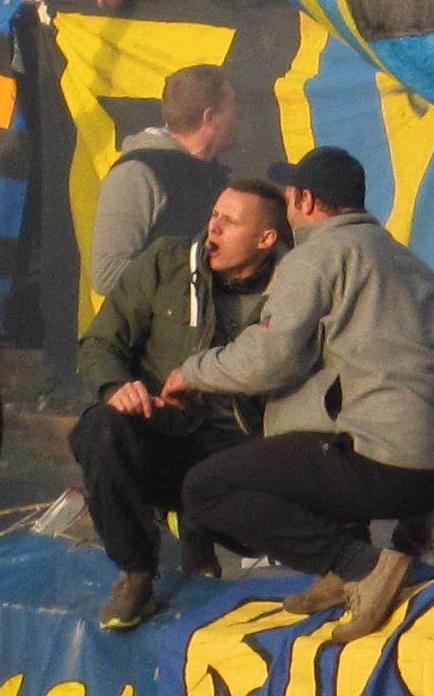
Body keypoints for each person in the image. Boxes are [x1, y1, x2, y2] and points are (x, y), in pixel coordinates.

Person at [167, 147, 434, 638]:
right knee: (310, 436)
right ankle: (341, 574)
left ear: (307, 201)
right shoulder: (412, 265)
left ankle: (360, 567)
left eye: (291, 195)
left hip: (388, 462)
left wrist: (192, 373)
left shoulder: (317, 256)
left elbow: (271, 358)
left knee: (205, 488)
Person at [71, 170, 284, 629]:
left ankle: (204, 533)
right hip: (161, 430)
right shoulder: (167, 262)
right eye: (214, 215)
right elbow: (99, 345)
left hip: (239, 446)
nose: (214, 227)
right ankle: (136, 573)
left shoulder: (295, 288)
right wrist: (117, 387)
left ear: (266, 239)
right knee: (100, 428)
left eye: (231, 221)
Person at [85, 62, 241, 297]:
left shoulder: (214, 176)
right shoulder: (137, 175)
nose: (239, 114)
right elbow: (108, 274)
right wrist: (196, 280)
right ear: (210, 117)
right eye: (233, 104)